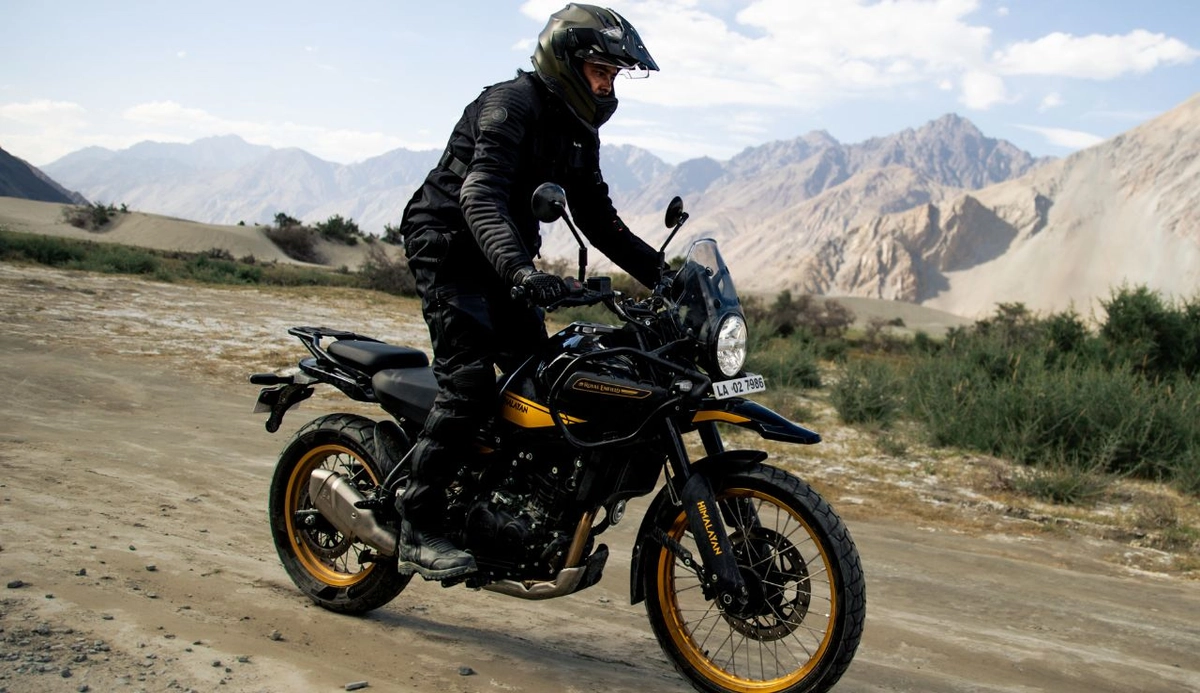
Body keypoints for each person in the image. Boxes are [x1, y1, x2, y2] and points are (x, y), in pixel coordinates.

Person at [393, 4, 666, 579]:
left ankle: (504, 504)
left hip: (503, 260)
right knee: (468, 384)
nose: (607, 85)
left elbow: (599, 218)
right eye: (600, 71)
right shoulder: (509, 105)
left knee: (542, 384)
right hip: (449, 249)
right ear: (566, 61)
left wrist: (668, 277)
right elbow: (479, 195)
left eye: (614, 75)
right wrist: (521, 272)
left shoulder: (578, 130)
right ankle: (415, 524)